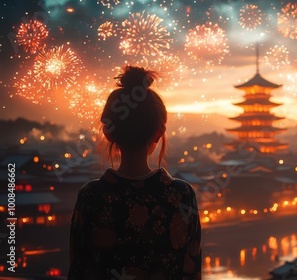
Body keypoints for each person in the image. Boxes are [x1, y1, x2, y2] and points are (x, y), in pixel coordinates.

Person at [67, 66, 201, 280]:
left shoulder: (92, 196)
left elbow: (78, 271)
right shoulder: (181, 195)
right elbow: (191, 272)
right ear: (159, 133)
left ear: (108, 133)